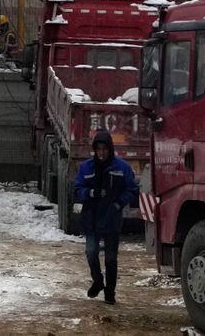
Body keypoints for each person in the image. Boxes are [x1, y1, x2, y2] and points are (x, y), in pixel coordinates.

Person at [74, 129, 138, 305]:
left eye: (105, 149)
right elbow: (77, 189)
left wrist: (119, 204)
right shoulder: (85, 168)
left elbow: (132, 190)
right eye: (98, 149)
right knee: (91, 252)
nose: (101, 153)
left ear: (110, 149)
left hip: (111, 218)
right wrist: (90, 193)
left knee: (111, 258)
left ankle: (110, 293)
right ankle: (98, 281)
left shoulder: (121, 168)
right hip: (92, 218)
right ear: (95, 150)